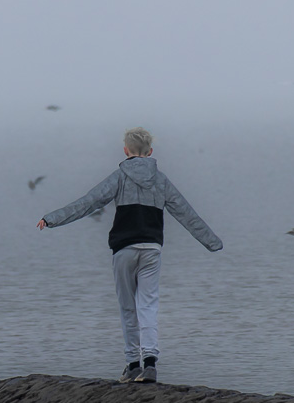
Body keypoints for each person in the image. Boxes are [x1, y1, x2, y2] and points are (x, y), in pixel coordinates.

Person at [36, 127, 222, 383]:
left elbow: (89, 202)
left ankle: (133, 364)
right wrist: (212, 243)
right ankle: (151, 364)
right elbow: (186, 213)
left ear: (125, 150)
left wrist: (51, 219)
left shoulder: (120, 176)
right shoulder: (161, 180)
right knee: (148, 305)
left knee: (127, 307)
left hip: (124, 249)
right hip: (151, 249)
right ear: (150, 152)